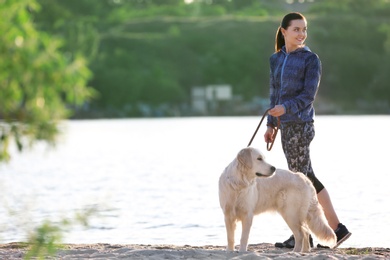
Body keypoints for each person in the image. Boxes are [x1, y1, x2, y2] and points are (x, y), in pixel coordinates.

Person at [263, 12, 351, 249]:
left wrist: (286, 108)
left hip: (301, 126)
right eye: (296, 30)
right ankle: (306, 234)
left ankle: (333, 229)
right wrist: (271, 124)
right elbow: (274, 94)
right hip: (284, 126)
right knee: (302, 178)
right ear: (284, 32)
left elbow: (308, 97)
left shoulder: (311, 60)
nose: (301, 34)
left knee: (303, 179)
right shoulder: (276, 59)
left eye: (304, 29)